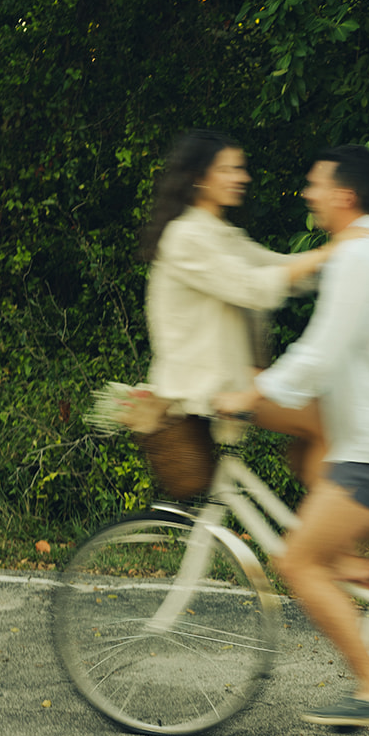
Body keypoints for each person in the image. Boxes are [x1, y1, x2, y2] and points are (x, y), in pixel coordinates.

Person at [214, 143, 369, 729]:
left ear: (344, 195)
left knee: (297, 561)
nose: (308, 193)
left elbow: (322, 352)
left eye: (315, 185)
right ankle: (363, 571)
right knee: (311, 465)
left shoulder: (358, 260)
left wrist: (253, 393)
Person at [141, 130, 331, 482]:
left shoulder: (219, 233)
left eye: (240, 169)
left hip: (232, 375)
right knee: (326, 422)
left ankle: (323, 526)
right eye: (229, 169)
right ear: (199, 178)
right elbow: (254, 287)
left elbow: (281, 269)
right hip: (209, 383)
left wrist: (344, 257)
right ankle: (325, 533)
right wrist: (332, 251)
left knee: (323, 428)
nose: (242, 177)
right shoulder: (186, 237)